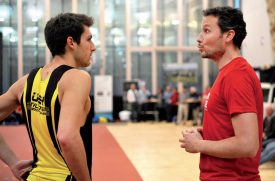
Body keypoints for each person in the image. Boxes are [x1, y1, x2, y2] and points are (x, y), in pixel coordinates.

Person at [0, 13, 95, 180]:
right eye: (89, 39)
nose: (93, 47)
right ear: (71, 42)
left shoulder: (27, 81)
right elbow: (66, 137)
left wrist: (13, 162)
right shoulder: (77, 78)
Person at [179, 6, 263, 181]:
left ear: (228, 35)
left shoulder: (236, 75)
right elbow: (230, 129)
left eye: (206, 31)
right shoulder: (227, 73)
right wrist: (209, 133)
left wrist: (199, 144)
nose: (199, 38)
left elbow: (248, 145)